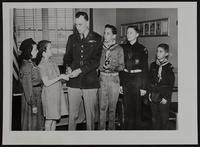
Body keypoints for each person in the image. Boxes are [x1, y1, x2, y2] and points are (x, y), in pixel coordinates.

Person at [63, 11, 102, 130]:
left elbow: (95, 61)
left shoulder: (97, 38)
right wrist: (68, 66)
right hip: (73, 82)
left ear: (87, 22)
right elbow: (67, 56)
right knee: (72, 116)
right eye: (76, 25)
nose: (77, 27)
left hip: (90, 81)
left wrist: (80, 70)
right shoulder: (72, 38)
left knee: (90, 116)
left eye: (80, 24)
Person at [120, 26, 148, 130]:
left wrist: (144, 87)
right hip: (126, 79)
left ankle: (136, 133)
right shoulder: (122, 48)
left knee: (137, 109)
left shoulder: (142, 49)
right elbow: (121, 68)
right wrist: (121, 84)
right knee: (127, 108)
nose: (128, 34)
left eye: (131, 33)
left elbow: (145, 69)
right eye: (127, 33)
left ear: (137, 34)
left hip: (137, 81)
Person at [37, 40, 69, 131]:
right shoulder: (42, 65)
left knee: (54, 119)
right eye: (50, 48)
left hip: (56, 93)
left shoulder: (52, 62)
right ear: (43, 53)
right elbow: (46, 83)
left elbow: (56, 77)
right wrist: (60, 78)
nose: (52, 50)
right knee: (49, 120)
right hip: (49, 95)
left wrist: (65, 76)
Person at [98, 24, 124, 130]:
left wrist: (112, 67)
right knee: (102, 107)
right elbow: (96, 64)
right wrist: (102, 67)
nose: (105, 35)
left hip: (114, 80)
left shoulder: (119, 49)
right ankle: (101, 131)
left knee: (112, 109)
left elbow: (122, 66)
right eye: (104, 33)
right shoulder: (100, 48)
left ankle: (111, 131)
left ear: (114, 36)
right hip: (102, 79)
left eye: (108, 33)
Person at [19, 38, 44, 130]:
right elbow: (28, 88)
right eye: (35, 49)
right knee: (31, 125)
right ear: (29, 51)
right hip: (31, 98)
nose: (37, 51)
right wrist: (33, 104)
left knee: (37, 124)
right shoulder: (26, 66)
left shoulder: (31, 63)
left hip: (36, 96)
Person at [148, 43, 175, 130]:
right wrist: (149, 93)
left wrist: (166, 97)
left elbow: (170, 85)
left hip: (163, 97)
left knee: (163, 120)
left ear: (166, 54)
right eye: (157, 51)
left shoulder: (169, 67)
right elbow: (149, 80)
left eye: (161, 51)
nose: (158, 53)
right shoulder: (153, 65)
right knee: (154, 119)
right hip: (154, 95)